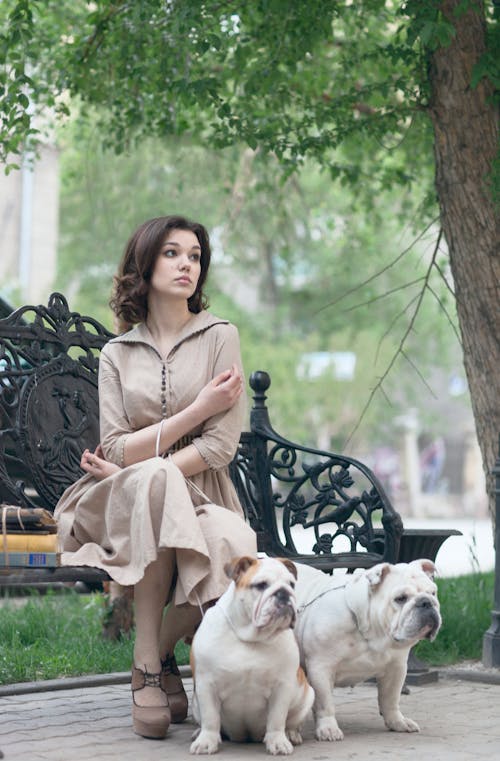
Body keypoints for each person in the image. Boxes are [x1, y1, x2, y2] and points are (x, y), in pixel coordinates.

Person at [54, 215, 256, 740]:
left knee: (232, 544)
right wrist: (197, 409)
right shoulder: (116, 355)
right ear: (145, 265)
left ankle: (155, 655)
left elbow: (220, 446)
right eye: (172, 253)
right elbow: (115, 446)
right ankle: (149, 667)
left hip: (202, 491)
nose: (186, 264)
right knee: (153, 485)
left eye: (194, 255)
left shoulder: (220, 337)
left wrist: (145, 466)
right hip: (122, 498)